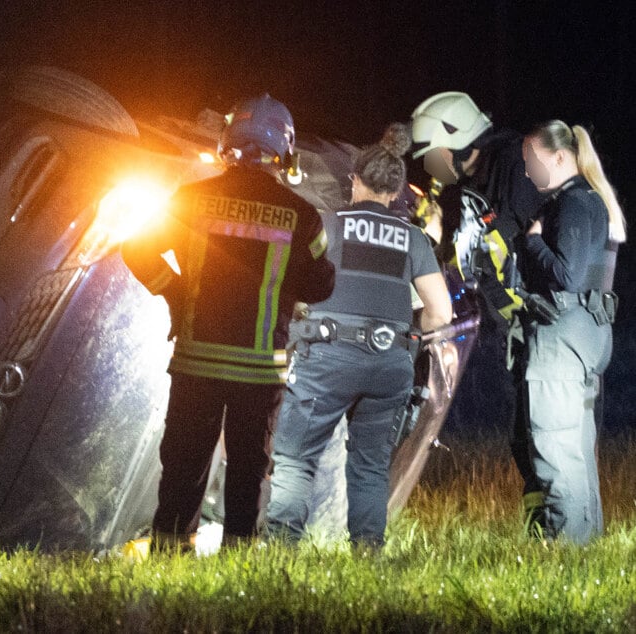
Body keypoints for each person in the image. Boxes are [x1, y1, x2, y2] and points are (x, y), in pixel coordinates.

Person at [121, 94, 335, 550]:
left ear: (228, 140)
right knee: (248, 470)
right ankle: (238, 563)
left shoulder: (190, 199)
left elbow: (134, 248)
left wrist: (175, 291)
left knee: (183, 463)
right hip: (260, 370)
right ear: (285, 148)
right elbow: (322, 287)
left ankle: (169, 554)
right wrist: (286, 285)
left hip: (197, 360)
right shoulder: (303, 215)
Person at [265, 123, 453, 548]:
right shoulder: (414, 239)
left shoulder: (326, 224)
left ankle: (278, 555)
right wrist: (407, 334)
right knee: (369, 468)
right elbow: (441, 312)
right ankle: (367, 555)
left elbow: (293, 288)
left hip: (326, 359)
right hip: (390, 363)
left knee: (295, 462)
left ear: (354, 181)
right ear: (397, 191)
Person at [410, 91, 550, 527]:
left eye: (432, 156)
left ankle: (561, 529)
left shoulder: (516, 169)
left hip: (543, 321)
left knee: (541, 431)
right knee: (523, 435)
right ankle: (543, 530)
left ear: (458, 140)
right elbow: (471, 259)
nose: (431, 168)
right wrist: (435, 238)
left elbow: (522, 244)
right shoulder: (476, 182)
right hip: (516, 323)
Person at [515, 120, 624, 544]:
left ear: (559, 157)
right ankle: (585, 545)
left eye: (532, 161)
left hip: (564, 333)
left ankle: (566, 552)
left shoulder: (574, 203)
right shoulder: (594, 200)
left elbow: (568, 274)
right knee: (577, 450)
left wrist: (533, 242)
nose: (527, 172)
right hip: (590, 331)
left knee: (556, 447)